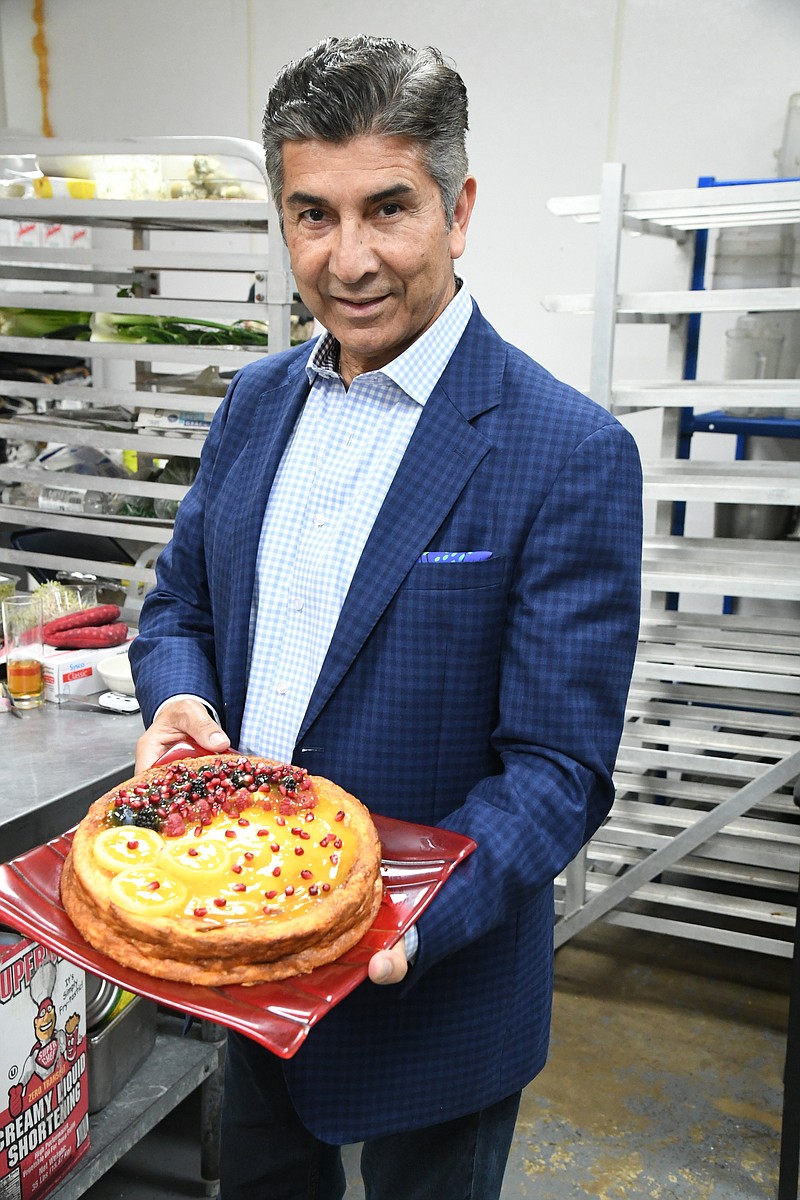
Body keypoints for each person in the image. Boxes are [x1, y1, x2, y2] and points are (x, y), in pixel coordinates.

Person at [130, 34, 643, 1200]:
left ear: (458, 211)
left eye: (387, 210)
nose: (347, 259)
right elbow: (179, 607)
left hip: (432, 994)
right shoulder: (256, 403)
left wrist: (398, 919)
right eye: (311, 213)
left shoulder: (563, 452)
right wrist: (180, 699)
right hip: (246, 967)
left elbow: (557, 769)